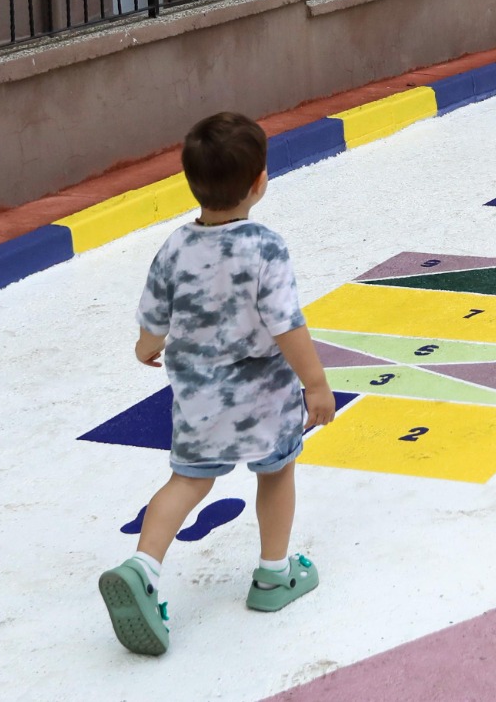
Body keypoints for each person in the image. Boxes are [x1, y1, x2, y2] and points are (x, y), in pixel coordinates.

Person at [98, 111, 336, 657]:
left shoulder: (175, 247)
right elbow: (287, 325)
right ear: (259, 182)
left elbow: (153, 318)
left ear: (190, 182)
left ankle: (143, 567)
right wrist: (316, 384)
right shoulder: (266, 247)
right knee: (276, 471)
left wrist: (145, 347)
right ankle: (274, 577)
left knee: (187, 481)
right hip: (263, 399)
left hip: (198, 398)